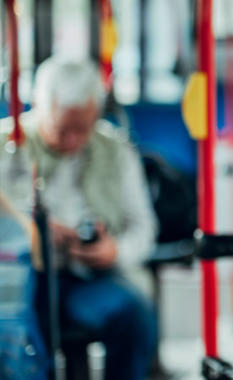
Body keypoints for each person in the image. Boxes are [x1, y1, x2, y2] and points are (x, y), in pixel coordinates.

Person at [0, 57, 158, 380]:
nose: (72, 140)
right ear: (40, 109)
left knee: (134, 315)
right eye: (62, 130)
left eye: (82, 129)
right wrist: (33, 231)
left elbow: (144, 228)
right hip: (19, 280)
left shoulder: (116, 150)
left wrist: (114, 251)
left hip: (87, 279)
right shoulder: (8, 145)